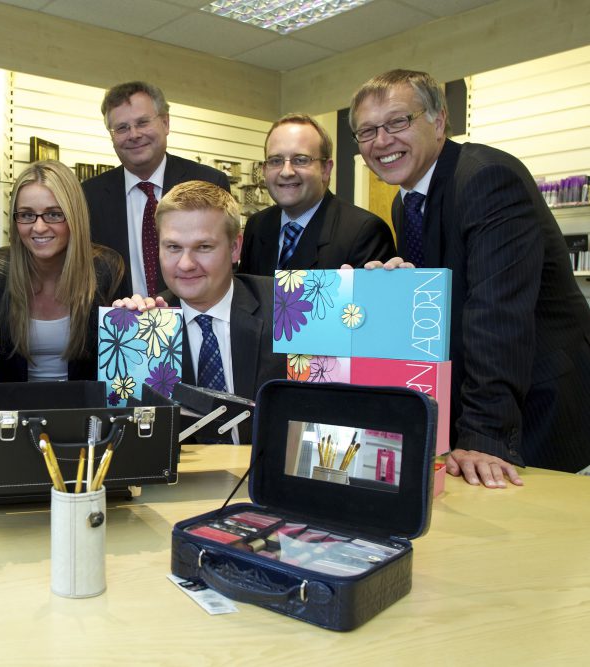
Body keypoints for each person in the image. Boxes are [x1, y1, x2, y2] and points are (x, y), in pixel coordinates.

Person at [349, 68, 590, 487]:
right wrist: (395, 291)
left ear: (439, 121)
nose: (381, 141)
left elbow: (497, 314)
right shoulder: (406, 203)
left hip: (539, 407)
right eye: (367, 131)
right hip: (475, 402)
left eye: (398, 122)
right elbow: (446, 301)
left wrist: (484, 433)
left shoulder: (486, 178)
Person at [114, 181, 285, 413]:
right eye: (173, 247)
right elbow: (132, 424)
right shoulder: (147, 323)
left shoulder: (287, 307)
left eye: (203, 247)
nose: (186, 264)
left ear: (235, 248)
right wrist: (126, 333)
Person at [0, 160, 124, 381]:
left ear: (75, 216)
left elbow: (123, 361)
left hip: (86, 401)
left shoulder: (106, 269)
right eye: (27, 215)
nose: (39, 227)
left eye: (53, 214)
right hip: (11, 401)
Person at [83, 81, 231, 299]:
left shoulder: (209, 182)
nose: (134, 134)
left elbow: (224, 265)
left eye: (142, 122)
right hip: (121, 317)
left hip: (192, 314)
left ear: (165, 122)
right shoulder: (90, 196)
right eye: (122, 128)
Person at [237, 113, 395, 275]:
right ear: (264, 170)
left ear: (326, 169)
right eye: (276, 161)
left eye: (300, 160)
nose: (286, 172)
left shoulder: (364, 233)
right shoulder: (257, 226)